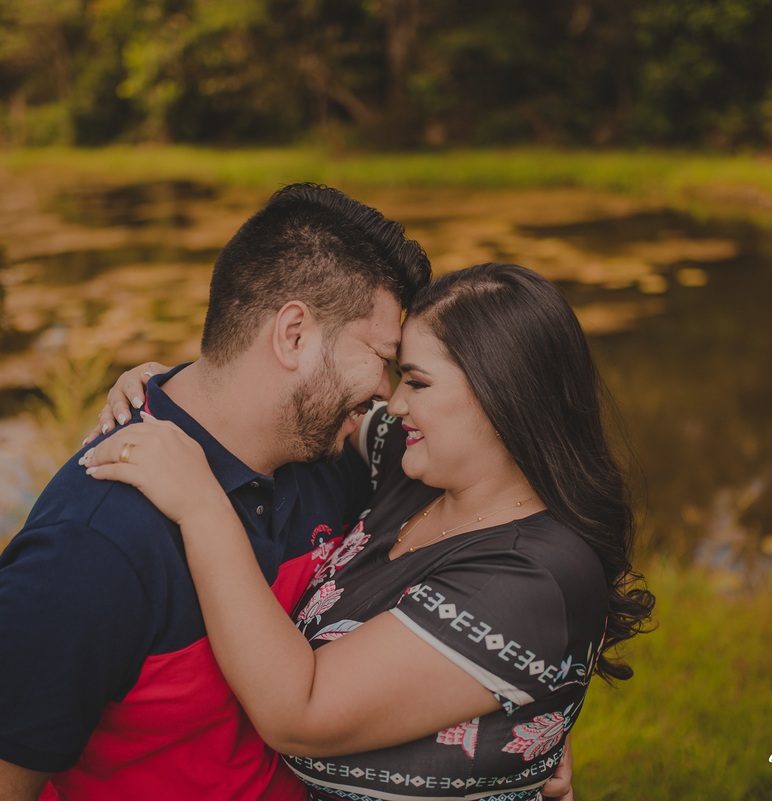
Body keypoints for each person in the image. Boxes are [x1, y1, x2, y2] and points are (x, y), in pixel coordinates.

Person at [0, 183, 434, 801]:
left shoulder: (333, 454)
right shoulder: (90, 548)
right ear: (294, 335)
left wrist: (526, 727)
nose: (387, 390)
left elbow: (503, 499)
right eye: (380, 357)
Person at [83, 262, 655, 800]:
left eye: (417, 382)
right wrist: (190, 389)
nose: (394, 401)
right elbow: (306, 400)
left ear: (506, 399)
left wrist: (204, 508)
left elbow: (298, 713)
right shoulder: (415, 467)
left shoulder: (535, 576)